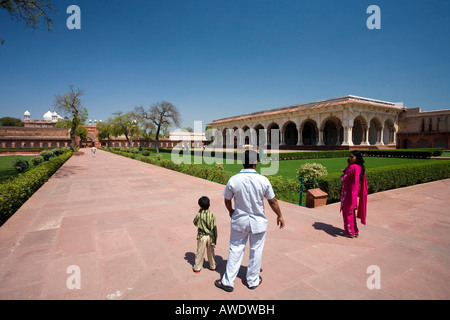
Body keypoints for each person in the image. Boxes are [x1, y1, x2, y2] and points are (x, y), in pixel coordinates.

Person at [215, 150, 285, 292]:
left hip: (240, 220)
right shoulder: (263, 180)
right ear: (256, 162)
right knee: (256, 250)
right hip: (258, 221)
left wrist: (230, 210)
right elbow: (272, 201)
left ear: (242, 162)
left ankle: (228, 281)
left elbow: (227, 199)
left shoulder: (234, 179)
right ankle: (253, 280)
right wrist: (279, 215)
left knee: (235, 249)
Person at [340, 150, 368, 238]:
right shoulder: (359, 167)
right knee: (351, 213)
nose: (350, 159)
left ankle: (349, 232)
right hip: (353, 193)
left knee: (347, 213)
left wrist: (344, 171)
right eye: (350, 157)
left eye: (352, 157)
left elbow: (344, 178)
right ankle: (355, 230)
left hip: (348, 193)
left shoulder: (352, 167)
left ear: (357, 158)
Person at [193, 196, 217, 273]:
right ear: (209, 205)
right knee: (211, 252)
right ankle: (212, 266)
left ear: (200, 206)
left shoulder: (199, 215)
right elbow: (214, 229)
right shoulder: (212, 215)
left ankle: (197, 267)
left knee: (200, 252)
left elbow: (195, 222)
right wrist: (214, 240)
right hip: (210, 236)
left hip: (201, 236)